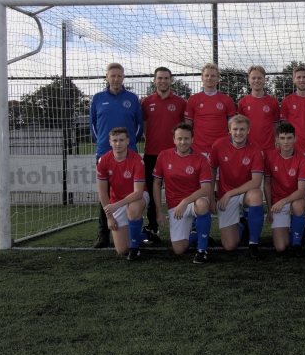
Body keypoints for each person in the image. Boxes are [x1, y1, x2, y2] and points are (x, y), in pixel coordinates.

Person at [90, 63, 143, 249]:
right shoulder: (97, 98)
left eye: (119, 76)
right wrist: (106, 145)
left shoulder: (132, 98)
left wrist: (127, 144)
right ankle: (103, 232)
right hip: (105, 151)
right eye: (113, 76)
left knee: (132, 192)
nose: (116, 79)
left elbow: (139, 125)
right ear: (106, 77)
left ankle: (136, 230)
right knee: (104, 193)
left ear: (123, 77)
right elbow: (93, 126)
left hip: (129, 153)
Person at [152, 123, 213, 264]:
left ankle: (202, 250)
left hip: (194, 201)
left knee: (202, 204)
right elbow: (156, 183)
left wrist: (185, 201)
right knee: (179, 249)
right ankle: (196, 235)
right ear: (173, 139)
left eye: (186, 138)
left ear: (192, 139)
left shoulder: (201, 159)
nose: (182, 142)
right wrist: (159, 211)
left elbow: (205, 189)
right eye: (179, 138)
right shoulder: (163, 156)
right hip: (175, 206)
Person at [208, 115, 266, 258]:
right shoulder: (219, 145)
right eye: (235, 129)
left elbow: (256, 182)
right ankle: (242, 225)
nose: (238, 133)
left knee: (256, 195)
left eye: (242, 129)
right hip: (225, 195)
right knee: (230, 246)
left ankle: (253, 244)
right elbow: (211, 171)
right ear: (229, 130)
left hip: (245, 192)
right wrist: (211, 198)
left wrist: (229, 193)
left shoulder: (255, 149)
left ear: (248, 130)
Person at [140, 67, 186, 241]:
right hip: (152, 154)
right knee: (153, 192)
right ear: (154, 80)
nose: (163, 81)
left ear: (171, 80)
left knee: (182, 191)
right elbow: (144, 126)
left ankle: (185, 225)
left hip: (176, 155)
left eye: (166, 78)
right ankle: (153, 228)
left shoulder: (181, 102)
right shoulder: (146, 102)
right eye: (160, 78)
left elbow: (185, 129)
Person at [96, 127, 149, 261]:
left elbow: (138, 192)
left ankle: (135, 249)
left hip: (138, 197)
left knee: (133, 208)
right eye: (115, 140)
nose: (118, 143)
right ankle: (144, 235)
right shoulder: (103, 161)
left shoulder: (137, 160)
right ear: (110, 142)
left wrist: (115, 206)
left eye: (121, 140)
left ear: (128, 141)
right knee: (121, 250)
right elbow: (102, 191)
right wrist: (109, 217)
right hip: (116, 201)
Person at [263, 123, 305, 256]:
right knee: (281, 247)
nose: (286, 141)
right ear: (277, 139)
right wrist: (270, 208)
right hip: (277, 203)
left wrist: (283, 202)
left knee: (298, 205)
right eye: (282, 138)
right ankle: (297, 227)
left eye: (289, 138)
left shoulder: (302, 159)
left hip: (295, 199)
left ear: (295, 139)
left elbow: (301, 191)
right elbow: (267, 183)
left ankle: (297, 244)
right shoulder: (270, 156)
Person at [184, 63, 237, 156]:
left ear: (218, 78)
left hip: (221, 148)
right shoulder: (193, 99)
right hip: (198, 148)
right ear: (202, 78)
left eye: (213, 76)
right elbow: (188, 126)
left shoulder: (227, 100)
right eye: (207, 75)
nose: (209, 78)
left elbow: (232, 126)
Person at [238, 65, 280, 153]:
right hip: (248, 148)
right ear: (249, 80)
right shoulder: (243, 102)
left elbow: (276, 125)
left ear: (264, 80)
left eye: (259, 78)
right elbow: (240, 126)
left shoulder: (273, 102)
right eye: (253, 78)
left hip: (268, 148)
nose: (256, 80)